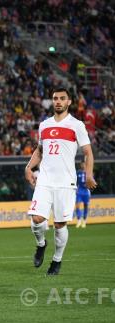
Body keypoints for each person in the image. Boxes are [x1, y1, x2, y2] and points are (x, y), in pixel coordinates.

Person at [25, 88, 96, 275]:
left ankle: (56, 260)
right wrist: (28, 167)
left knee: (59, 224)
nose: (58, 101)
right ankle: (41, 244)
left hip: (66, 182)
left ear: (69, 102)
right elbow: (40, 150)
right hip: (45, 180)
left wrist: (89, 175)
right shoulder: (44, 125)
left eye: (62, 99)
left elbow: (88, 153)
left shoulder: (77, 125)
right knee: (36, 219)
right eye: (55, 98)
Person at [75, 161, 91, 228]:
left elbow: (91, 181)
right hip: (79, 191)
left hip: (86, 191)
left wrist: (88, 185)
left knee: (86, 206)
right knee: (77, 206)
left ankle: (84, 221)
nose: (83, 165)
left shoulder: (88, 172)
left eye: (84, 164)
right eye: (82, 164)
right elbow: (75, 181)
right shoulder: (78, 172)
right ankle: (79, 220)